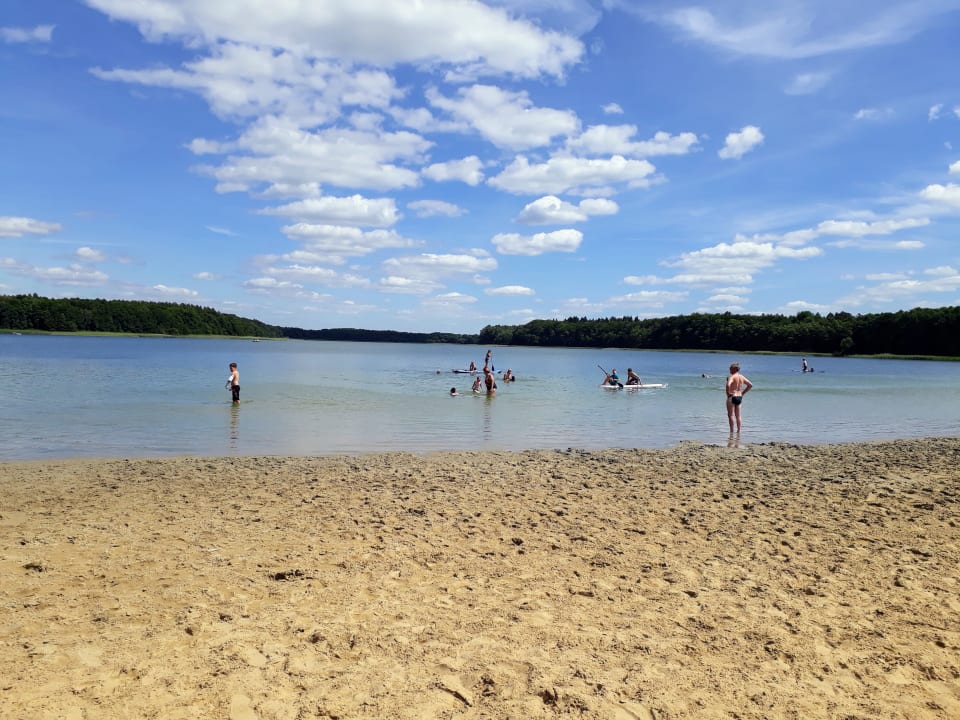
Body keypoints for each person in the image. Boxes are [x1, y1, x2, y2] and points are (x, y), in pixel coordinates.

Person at [725, 362, 753, 433]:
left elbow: (728, 385)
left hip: (732, 396)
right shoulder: (741, 377)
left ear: (734, 369)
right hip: (739, 397)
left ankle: (731, 431)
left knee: (731, 415)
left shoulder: (732, 377)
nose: (729, 370)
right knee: (738, 416)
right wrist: (742, 393)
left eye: (730, 369)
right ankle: (738, 431)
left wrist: (728, 393)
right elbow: (750, 385)